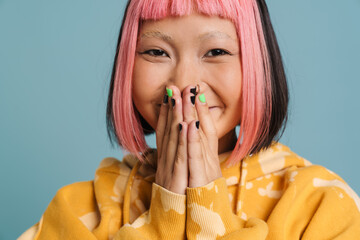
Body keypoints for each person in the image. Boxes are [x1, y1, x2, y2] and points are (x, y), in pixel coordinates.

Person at [18, 0, 360, 239]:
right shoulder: (79, 210)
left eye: (216, 52)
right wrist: (164, 211)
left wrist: (206, 207)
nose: (184, 83)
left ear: (258, 67)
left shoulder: (320, 205)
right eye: (156, 52)